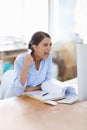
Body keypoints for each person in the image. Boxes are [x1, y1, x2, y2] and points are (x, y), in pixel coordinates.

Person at [12, 31, 53, 96]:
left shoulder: (48, 57)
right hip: (17, 98)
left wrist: (31, 89)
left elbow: (48, 82)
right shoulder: (21, 59)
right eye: (45, 45)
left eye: (50, 44)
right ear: (35, 47)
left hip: (37, 95)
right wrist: (26, 65)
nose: (49, 48)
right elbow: (19, 90)